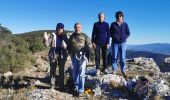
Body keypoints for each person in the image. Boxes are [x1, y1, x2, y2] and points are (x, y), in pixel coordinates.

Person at [43, 23, 68, 91]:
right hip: (53, 55)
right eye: (59, 28)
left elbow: (68, 46)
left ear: (63, 29)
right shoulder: (52, 35)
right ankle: (52, 85)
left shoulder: (65, 36)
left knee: (61, 71)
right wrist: (45, 39)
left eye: (61, 28)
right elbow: (47, 45)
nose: (60, 29)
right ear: (56, 28)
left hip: (62, 55)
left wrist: (66, 46)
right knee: (53, 70)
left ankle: (61, 86)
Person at [68, 23, 91, 96]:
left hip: (82, 57)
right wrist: (69, 53)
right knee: (75, 73)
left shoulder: (84, 35)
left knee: (82, 73)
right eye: (76, 27)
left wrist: (85, 49)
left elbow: (90, 45)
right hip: (74, 56)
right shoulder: (71, 37)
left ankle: (81, 90)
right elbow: (68, 46)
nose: (77, 28)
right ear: (74, 28)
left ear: (81, 28)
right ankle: (76, 87)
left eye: (79, 27)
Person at [110, 11, 130, 77]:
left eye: (120, 16)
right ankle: (114, 69)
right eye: (118, 16)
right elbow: (110, 33)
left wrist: (124, 37)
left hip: (123, 43)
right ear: (116, 17)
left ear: (122, 17)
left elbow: (128, 33)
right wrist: (114, 37)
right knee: (114, 57)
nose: (119, 17)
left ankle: (123, 70)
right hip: (114, 43)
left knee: (122, 58)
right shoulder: (113, 24)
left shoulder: (125, 24)